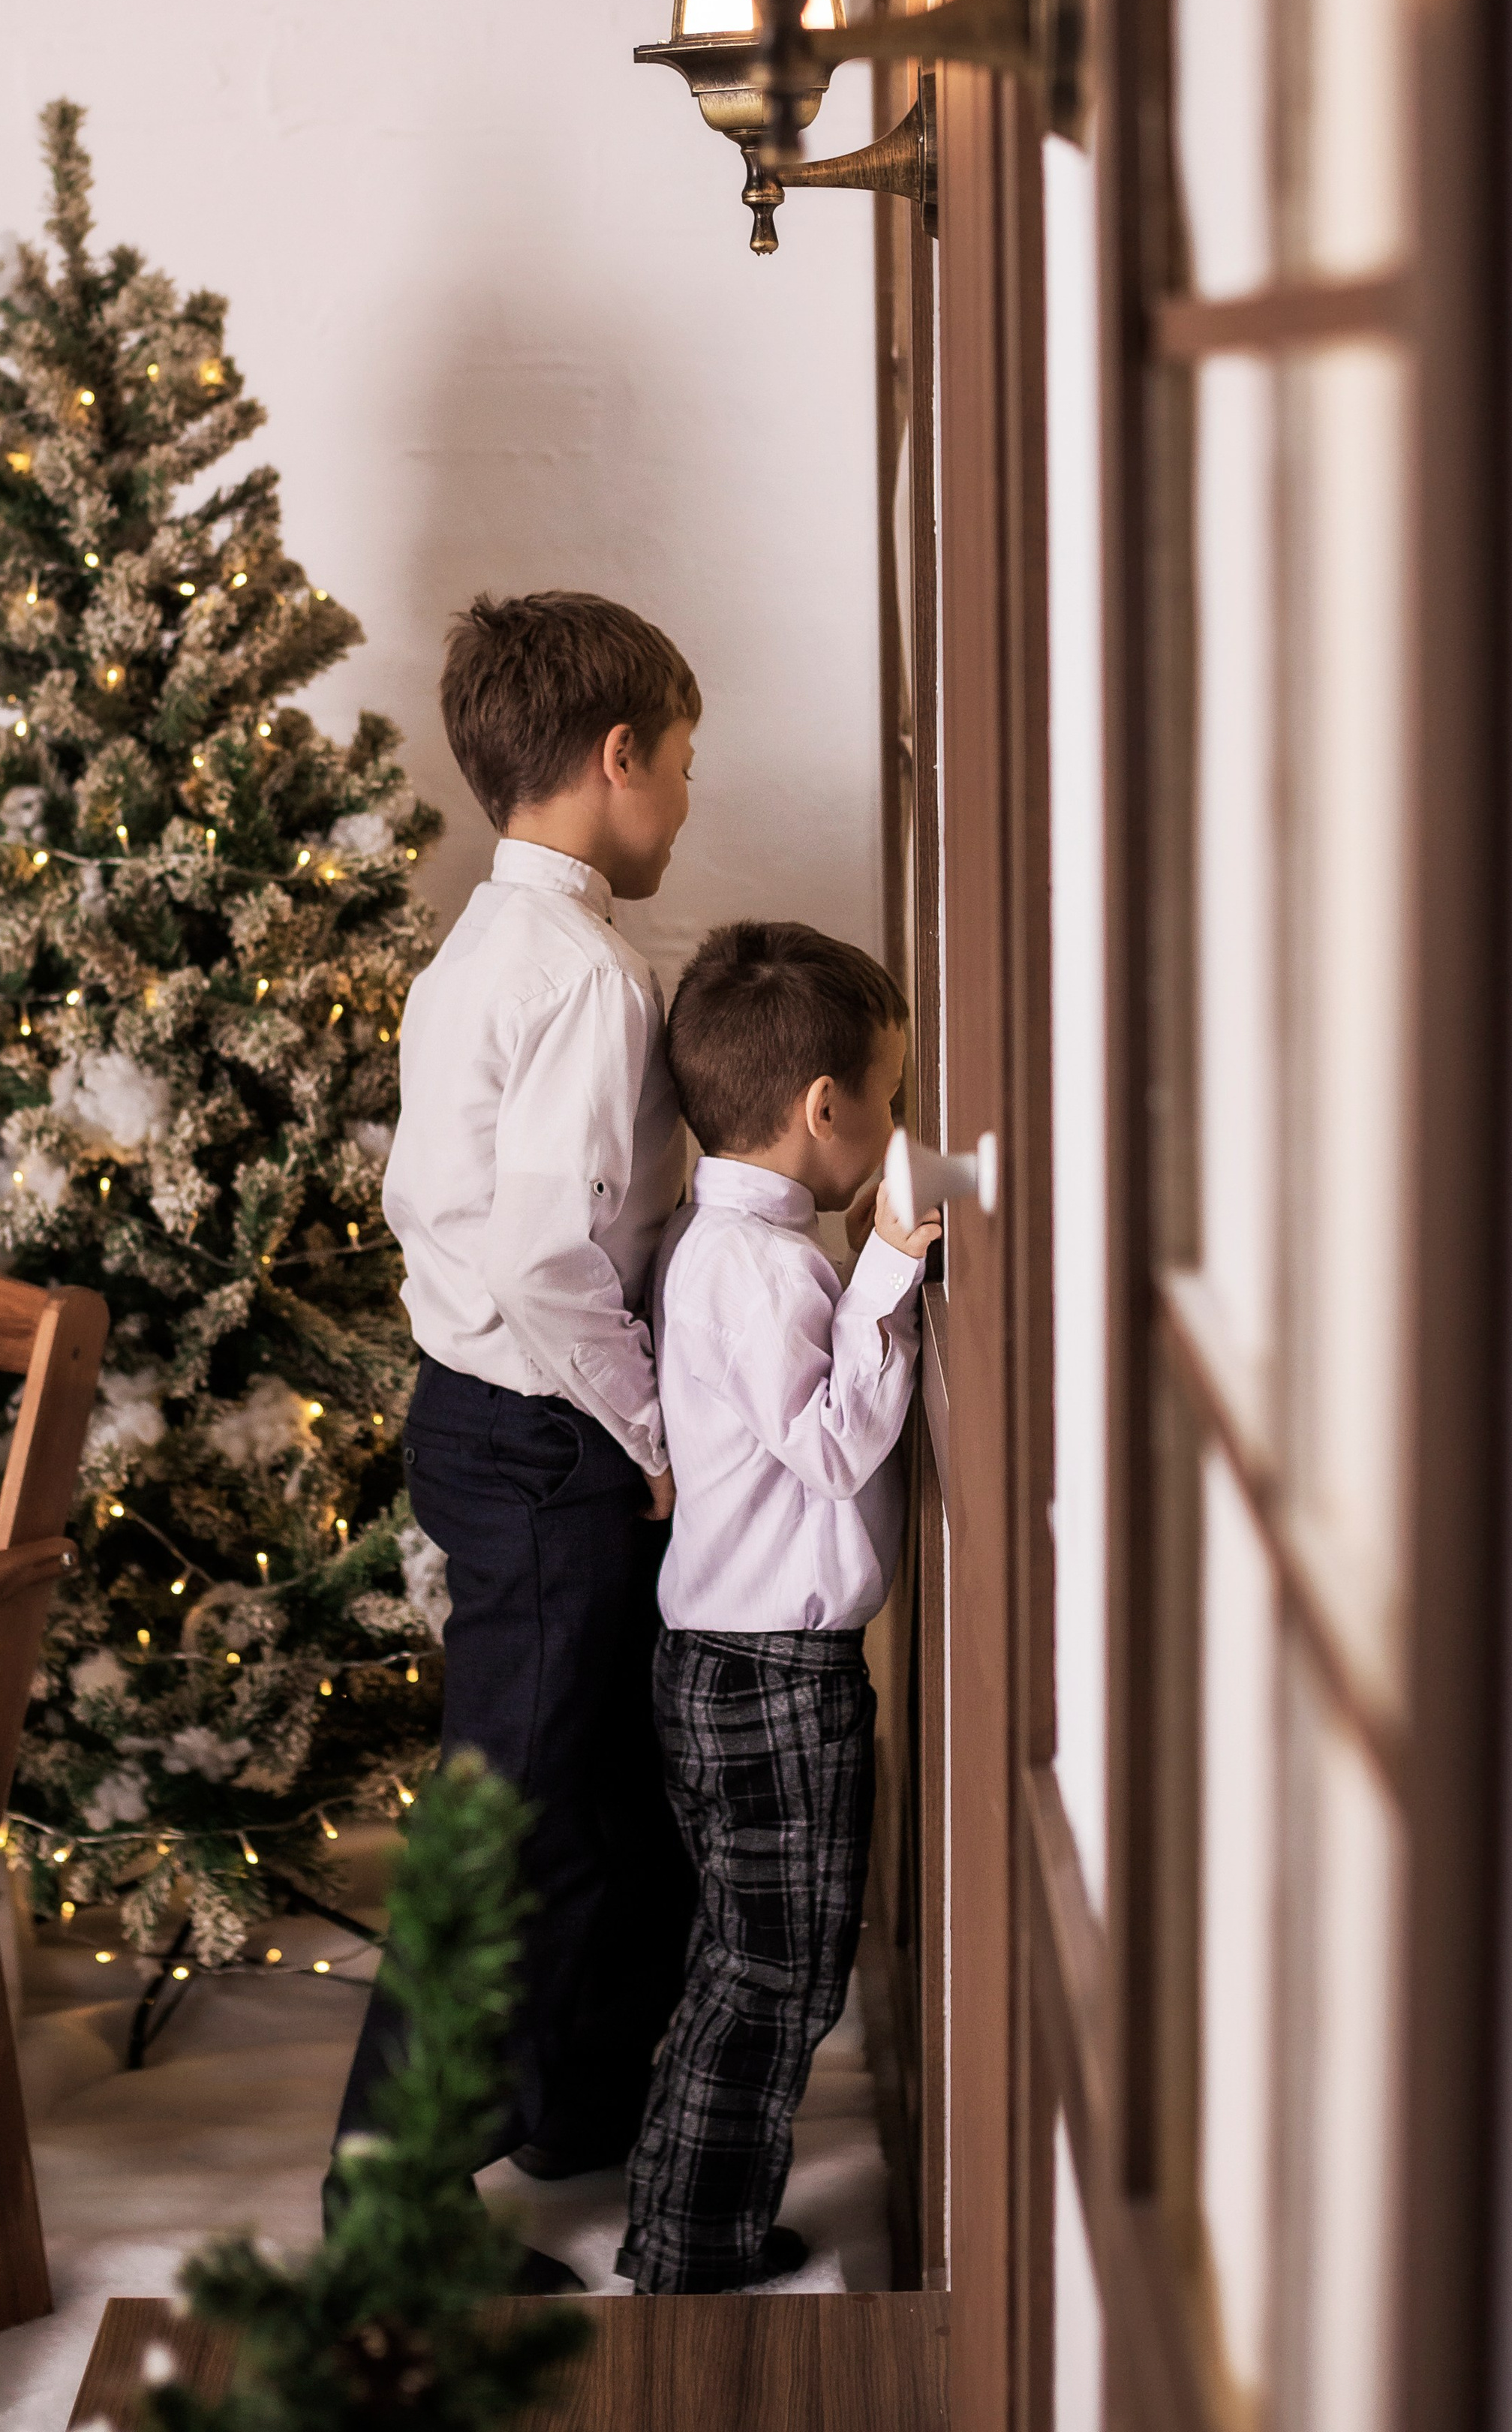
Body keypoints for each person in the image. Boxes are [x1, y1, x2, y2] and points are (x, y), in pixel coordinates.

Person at [333, 589, 700, 2286]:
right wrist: (649, 1435)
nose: (684, 805)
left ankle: (570, 2104)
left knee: (597, 1793)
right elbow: (547, 1257)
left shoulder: (480, 943)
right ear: (613, 758)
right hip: (548, 1435)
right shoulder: (583, 978)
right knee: (511, 1818)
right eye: (678, 769)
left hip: (477, 1422)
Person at [616, 921, 940, 2296]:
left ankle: (690, 2224)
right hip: (768, 1677)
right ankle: (691, 2252)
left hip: (733, 1662)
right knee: (775, 1978)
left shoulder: (726, 1240)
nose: (898, 1121)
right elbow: (826, 1445)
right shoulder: (764, 1267)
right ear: (828, 1111)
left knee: (756, 1963)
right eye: (894, 1095)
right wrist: (892, 1268)